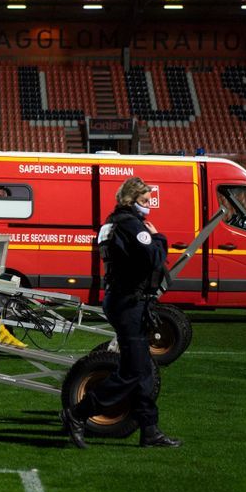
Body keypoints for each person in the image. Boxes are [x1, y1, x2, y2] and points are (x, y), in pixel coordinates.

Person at [61, 177, 181, 448]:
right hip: (128, 302)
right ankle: (77, 413)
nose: (150, 206)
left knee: (143, 371)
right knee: (134, 372)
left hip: (122, 299)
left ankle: (149, 430)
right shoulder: (131, 224)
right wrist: (158, 236)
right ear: (132, 199)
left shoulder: (113, 223)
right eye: (146, 201)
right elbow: (154, 258)